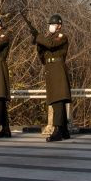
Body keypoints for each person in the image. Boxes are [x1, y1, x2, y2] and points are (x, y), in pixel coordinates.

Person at [35, 13, 72, 142]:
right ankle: (64, 131)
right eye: (50, 24)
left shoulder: (61, 37)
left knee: (58, 101)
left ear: (59, 26)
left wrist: (39, 38)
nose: (51, 26)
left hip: (58, 70)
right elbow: (43, 57)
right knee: (56, 101)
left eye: (53, 24)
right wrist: (39, 45)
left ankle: (57, 130)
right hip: (51, 70)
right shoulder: (47, 39)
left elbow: (51, 45)